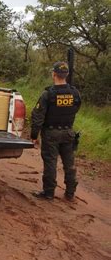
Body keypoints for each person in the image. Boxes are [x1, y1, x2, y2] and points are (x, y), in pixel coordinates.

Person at [31, 62, 81, 201]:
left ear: (54, 74)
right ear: (67, 75)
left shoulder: (48, 94)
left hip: (51, 133)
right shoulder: (75, 93)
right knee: (69, 164)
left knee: (50, 163)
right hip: (68, 132)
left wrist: (34, 135)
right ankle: (70, 193)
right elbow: (76, 108)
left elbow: (38, 116)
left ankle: (48, 193)